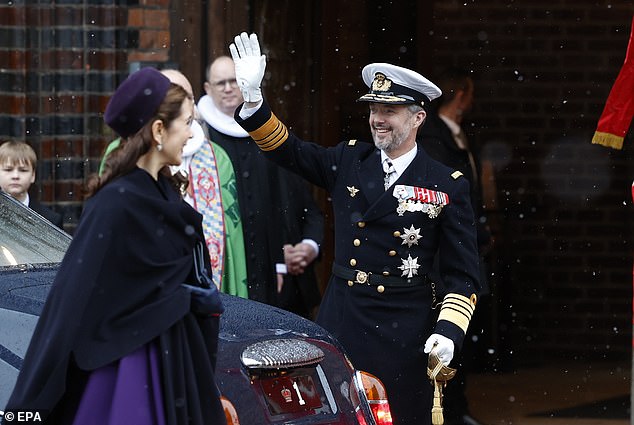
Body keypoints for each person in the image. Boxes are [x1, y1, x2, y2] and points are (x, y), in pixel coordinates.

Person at [229, 33, 482, 425]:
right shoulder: (349, 159)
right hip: (344, 317)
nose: (378, 119)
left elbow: (463, 274)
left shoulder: (446, 183)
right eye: (374, 108)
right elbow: (289, 150)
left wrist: (449, 331)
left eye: (390, 110)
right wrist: (254, 103)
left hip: (406, 326)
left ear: (417, 117)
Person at [5, 67, 226, 425]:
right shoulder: (116, 203)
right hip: (131, 368)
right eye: (186, 122)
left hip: (176, 362)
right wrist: (28, 407)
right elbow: (74, 299)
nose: (190, 133)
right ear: (158, 130)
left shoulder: (165, 195)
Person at [99, 68, 249, 298]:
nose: (189, 134)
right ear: (159, 124)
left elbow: (231, 236)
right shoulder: (118, 195)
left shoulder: (217, 158)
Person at [198, 55, 324, 319]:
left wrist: (309, 246)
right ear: (208, 89)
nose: (229, 88)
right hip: (228, 275)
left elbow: (307, 209)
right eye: (221, 83)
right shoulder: (199, 142)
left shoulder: (270, 134)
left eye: (235, 80)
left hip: (277, 277)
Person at [417, 68, 493, 425]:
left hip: (466, 245)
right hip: (443, 254)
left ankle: (458, 408)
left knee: (463, 331)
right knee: (446, 334)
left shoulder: (460, 137)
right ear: (460, 95)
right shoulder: (433, 139)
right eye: (470, 93)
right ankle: (450, 409)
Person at [0, 140, 63, 228]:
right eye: (8, 169)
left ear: (33, 175)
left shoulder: (49, 220)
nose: (15, 176)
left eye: (23, 170)